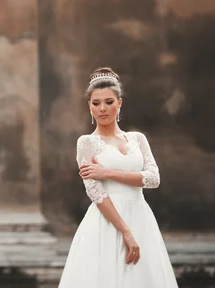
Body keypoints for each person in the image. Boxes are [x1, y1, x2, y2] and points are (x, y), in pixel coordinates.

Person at [58, 67, 178, 287]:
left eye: (109, 102)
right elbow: (95, 192)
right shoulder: (86, 143)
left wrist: (107, 173)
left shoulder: (137, 139)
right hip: (106, 221)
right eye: (96, 103)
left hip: (141, 216)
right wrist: (125, 231)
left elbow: (153, 179)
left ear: (119, 103)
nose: (102, 108)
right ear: (90, 107)